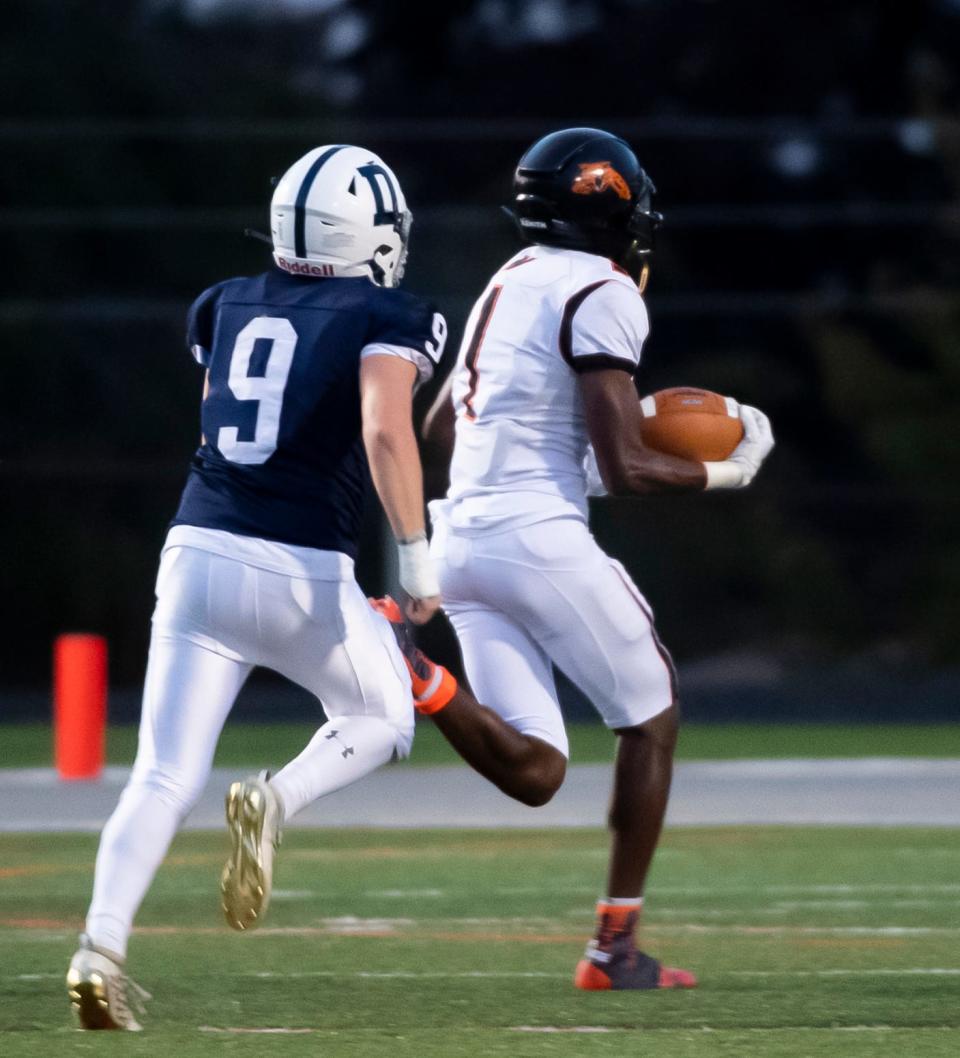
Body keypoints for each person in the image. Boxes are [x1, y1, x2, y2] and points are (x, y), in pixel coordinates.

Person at [382, 127, 775, 991]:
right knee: (652, 716)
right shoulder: (603, 289)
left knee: (537, 770)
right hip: (533, 535)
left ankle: (418, 675)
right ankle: (614, 950)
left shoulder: (507, 280)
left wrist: (562, 458)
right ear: (610, 202)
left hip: (462, 543)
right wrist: (722, 470)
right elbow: (632, 466)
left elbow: (442, 429)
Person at [66, 144, 446, 1030]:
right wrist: (416, 557)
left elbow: (223, 411)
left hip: (195, 549)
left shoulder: (223, 302)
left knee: (160, 773)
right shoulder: (387, 311)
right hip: (298, 564)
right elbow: (386, 431)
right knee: (383, 716)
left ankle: (100, 948)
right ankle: (275, 800)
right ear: (371, 236)